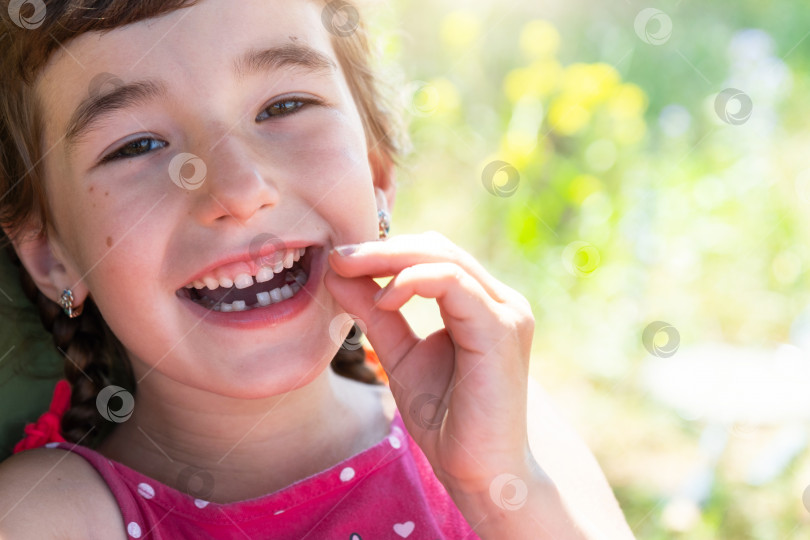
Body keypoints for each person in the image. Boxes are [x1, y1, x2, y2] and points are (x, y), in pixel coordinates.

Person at [0, 0, 635, 538]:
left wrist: (503, 493)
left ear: (377, 174)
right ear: (51, 256)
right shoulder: (46, 516)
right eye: (137, 145)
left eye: (283, 107)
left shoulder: (514, 431)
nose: (239, 188)